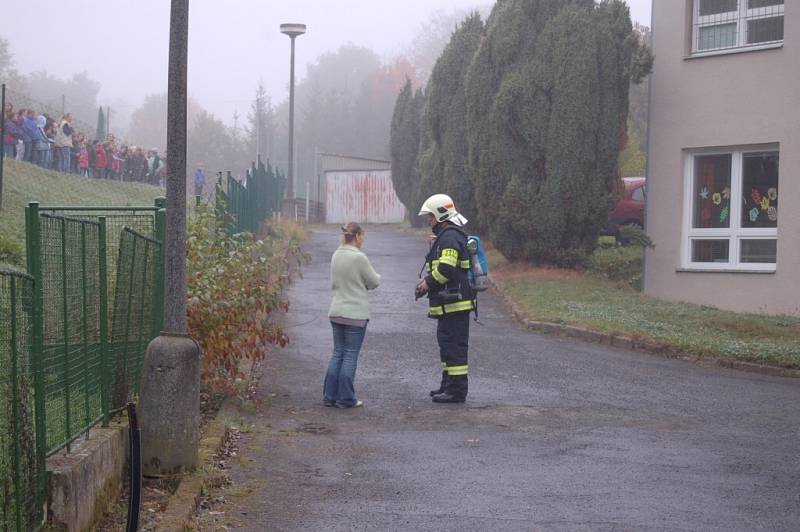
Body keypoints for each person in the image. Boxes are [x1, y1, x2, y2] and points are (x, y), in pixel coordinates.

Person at [415, 194, 475, 404]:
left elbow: (446, 269)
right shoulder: (447, 236)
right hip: (448, 306)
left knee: (455, 348)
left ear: (441, 214)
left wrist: (427, 284)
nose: (429, 221)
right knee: (447, 346)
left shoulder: (449, 237)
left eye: (431, 216)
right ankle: (447, 385)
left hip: (454, 306)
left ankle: (456, 392)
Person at [323, 222, 381, 408]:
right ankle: (346, 398)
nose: (363, 239)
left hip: (336, 310)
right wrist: (376, 278)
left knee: (338, 353)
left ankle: (329, 396)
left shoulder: (336, 254)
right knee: (350, 355)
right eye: (362, 235)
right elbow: (373, 282)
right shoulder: (359, 257)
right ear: (356, 236)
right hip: (355, 314)